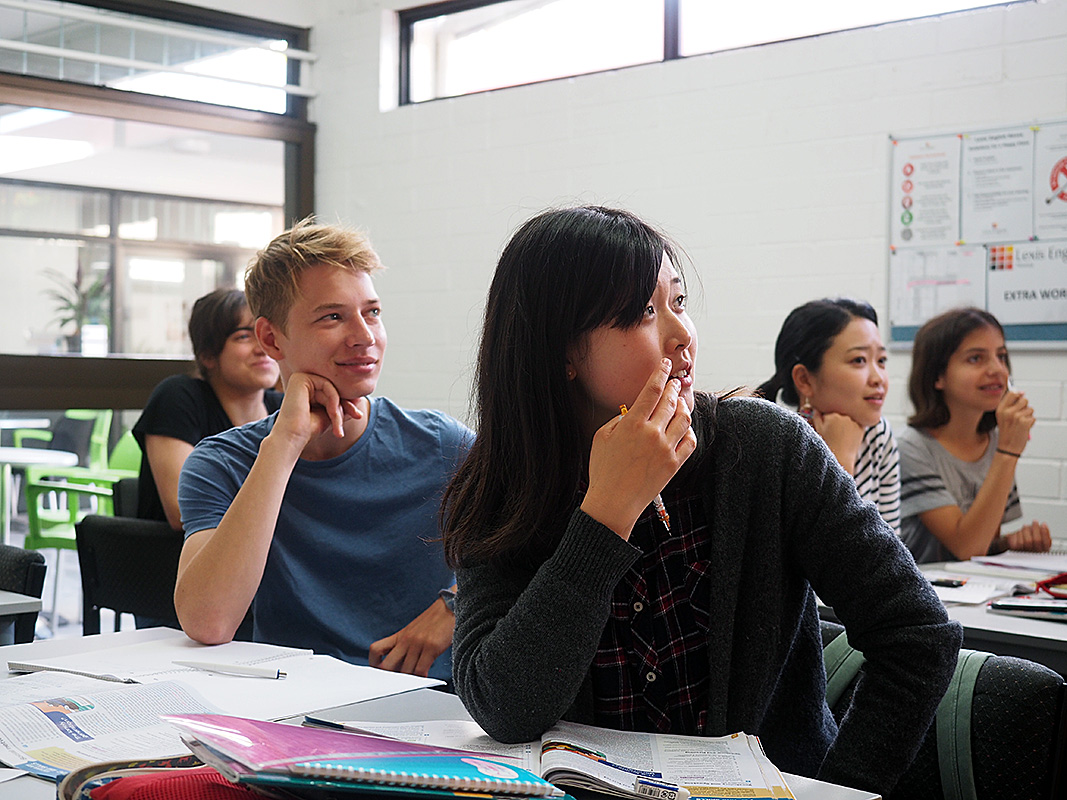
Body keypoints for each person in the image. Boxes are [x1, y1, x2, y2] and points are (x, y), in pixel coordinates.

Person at [442, 206, 961, 798]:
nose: (682, 334)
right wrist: (605, 516)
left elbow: (918, 633)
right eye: (642, 313)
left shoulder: (764, 449)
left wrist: (842, 789)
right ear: (561, 351)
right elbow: (502, 707)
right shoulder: (508, 483)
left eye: (678, 301)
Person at [174, 219, 473, 680]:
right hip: (293, 702)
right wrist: (284, 445)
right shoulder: (221, 463)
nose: (365, 336)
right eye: (333, 317)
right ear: (271, 339)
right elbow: (208, 621)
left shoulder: (441, 444)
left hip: (428, 705)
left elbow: (545, 545)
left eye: (372, 312)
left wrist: (457, 603)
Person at [899, 306, 1052, 563]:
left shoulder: (995, 442)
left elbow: (983, 543)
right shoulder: (912, 448)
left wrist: (1009, 544)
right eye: (975, 359)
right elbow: (966, 548)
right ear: (938, 376)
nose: (997, 369)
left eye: (1001, 356)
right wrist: (1009, 452)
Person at [133, 289, 282, 530]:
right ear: (208, 355)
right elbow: (182, 510)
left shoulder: (283, 409)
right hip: (181, 550)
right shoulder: (179, 397)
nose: (262, 348)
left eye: (267, 335)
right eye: (244, 336)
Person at [758, 298, 900, 534]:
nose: (879, 379)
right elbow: (802, 552)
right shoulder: (771, 441)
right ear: (804, 380)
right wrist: (840, 462)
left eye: (881, 361)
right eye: (859, 360)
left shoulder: (877, 432)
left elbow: (891, 546)